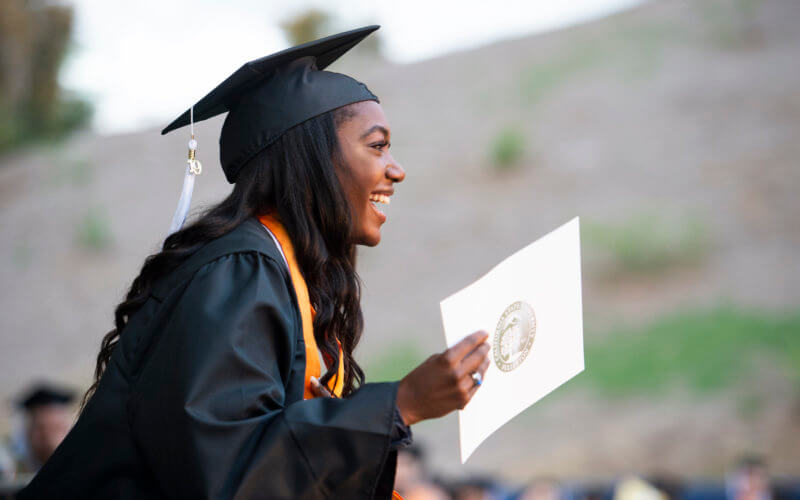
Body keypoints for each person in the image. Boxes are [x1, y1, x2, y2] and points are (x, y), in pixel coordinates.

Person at [19, 26, 490, 499]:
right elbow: (225, 476)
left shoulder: (285, 275)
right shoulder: (239, 271)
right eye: (377, 145)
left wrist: (338, 429)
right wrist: (399, 404)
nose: (396, 169)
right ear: (314, 158)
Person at [14, 383, 75, 474]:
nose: (50, 439)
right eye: (40, 429)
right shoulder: (13, 476)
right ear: (27, 434)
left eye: (56, 428)